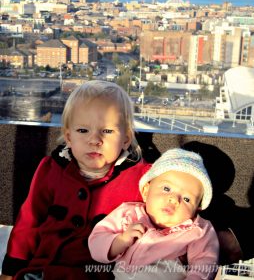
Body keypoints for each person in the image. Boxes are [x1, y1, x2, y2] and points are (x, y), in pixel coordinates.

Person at [0, 80, 151, 280]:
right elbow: (29, 221)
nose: (94, 140)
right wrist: (12, 267)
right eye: (82, 131)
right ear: (68, 137)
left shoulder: (142, 178)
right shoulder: (51, 169)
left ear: (126, 138)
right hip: (46, 266)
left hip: (102, 272)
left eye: (107, 131)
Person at [88, 148, 220, 280]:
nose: (174, 200)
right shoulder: (129, 213)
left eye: (187, 199)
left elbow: (205, 262)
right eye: (167, 189)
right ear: (146, 191)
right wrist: (121, 240)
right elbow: (96, 243)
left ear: (197, 208)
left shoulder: (197, 230)